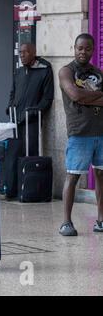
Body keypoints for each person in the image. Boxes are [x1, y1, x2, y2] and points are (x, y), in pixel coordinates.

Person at [58, 33, 103, 236]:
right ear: (74, 49)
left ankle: (101, 220)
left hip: (101, 132)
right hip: (79, 132)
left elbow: (82, 97)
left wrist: (86, 98)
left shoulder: (99, 73)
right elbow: (74, 95)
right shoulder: (66, 71)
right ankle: (66, 223)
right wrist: (96, 96)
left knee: (101, 175)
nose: (83, 52)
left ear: (93, 50)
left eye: (87, 48)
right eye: (79, 48)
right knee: (73, 176)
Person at [7, 43, 54, 156]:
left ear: (34, 53)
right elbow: (13, 93)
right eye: (20, 52)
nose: (22, 55)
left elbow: (47, 98)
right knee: (16, 153)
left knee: (31, 153)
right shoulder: (19, 72)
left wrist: (34, 112)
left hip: (32, 121)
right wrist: (9, 107)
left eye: (25, 52)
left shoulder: (44, 70)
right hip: (16, 120)